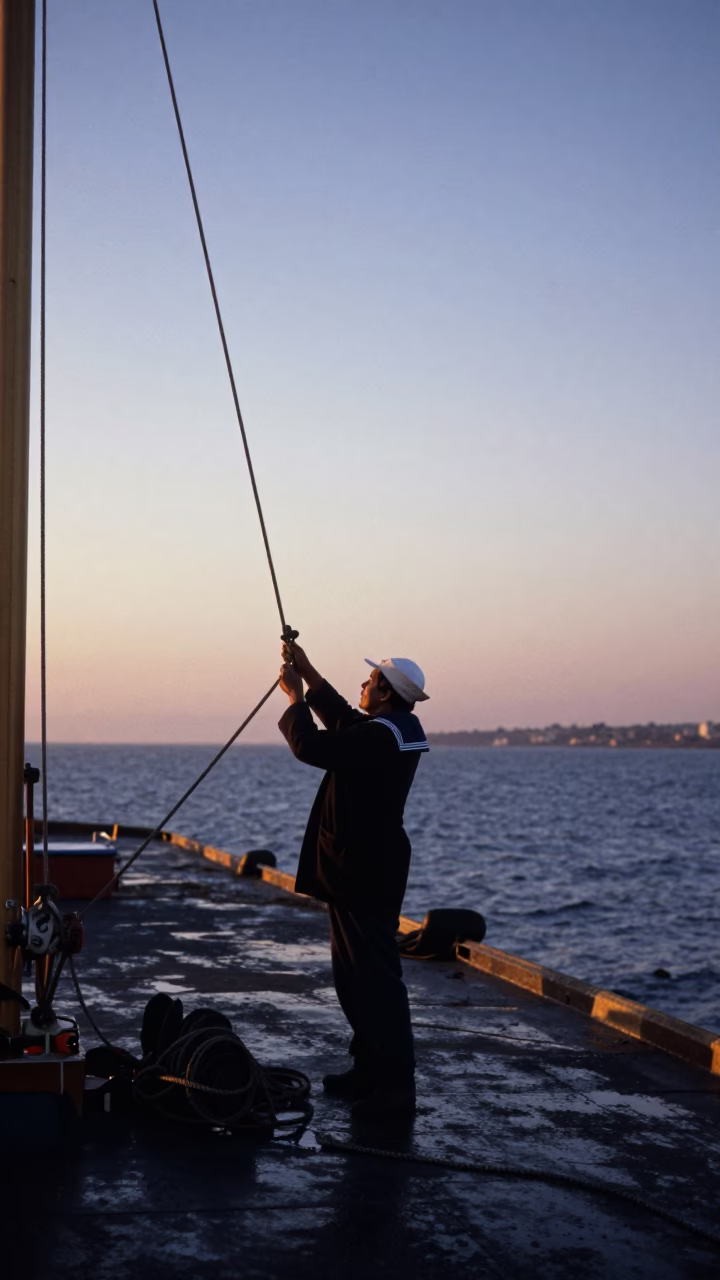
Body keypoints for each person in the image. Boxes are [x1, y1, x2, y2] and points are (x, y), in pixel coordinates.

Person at [278, 642, 429, 1120]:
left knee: (376, 983)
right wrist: (308, 673)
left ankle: (396, 1089)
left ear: (384, 693)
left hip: (364, 870)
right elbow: (344, 717)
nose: (363, 686)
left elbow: (313, 746)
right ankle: (368, 1071)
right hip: (360, 867)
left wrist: (295, 699)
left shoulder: (380, 737)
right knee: (353, 978)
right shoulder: (388, 728)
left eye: (370, 681)